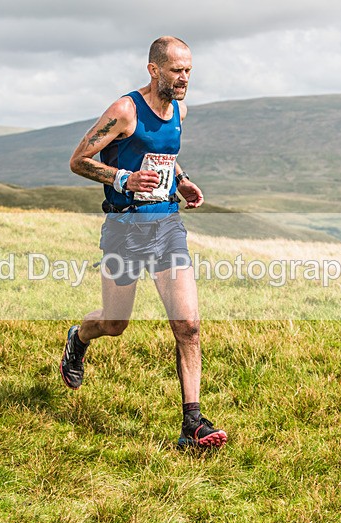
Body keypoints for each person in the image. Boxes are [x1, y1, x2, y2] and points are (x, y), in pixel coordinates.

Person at [62, 36, 227, 448]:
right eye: (176, 70)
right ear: (154, 70)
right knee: (115, 324)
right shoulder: (125, 110)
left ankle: (193, 425)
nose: (184, 77)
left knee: (188, 326)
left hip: (166, 227)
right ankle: (78, 340)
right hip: (124, 228)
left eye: (188, 69)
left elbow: (164, 156)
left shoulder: (179, 111)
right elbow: (78, 160)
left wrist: (182, 182)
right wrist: (124, 179)